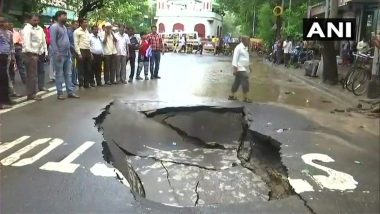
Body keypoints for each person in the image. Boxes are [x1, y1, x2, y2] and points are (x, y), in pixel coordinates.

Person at [50, 11, 79, 100]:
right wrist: (56, 52)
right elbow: (53, 41)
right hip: (59, 54)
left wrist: (71, 51)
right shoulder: (54, 27)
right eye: (64, 16)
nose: (66, 17)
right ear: (59, 17)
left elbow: (67, 40)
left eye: (66, 16)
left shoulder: (64, 27)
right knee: (59, 74)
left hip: (67, 54)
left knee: (68, 74)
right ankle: (60, 93)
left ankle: (70, 92)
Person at [22, 13, 48, 101]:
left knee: (35, 74)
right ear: (30, 20)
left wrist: (43, 52)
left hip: (38, 53)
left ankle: (33, 92)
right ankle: (31, 94)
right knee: (31, 75)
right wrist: (32, 54)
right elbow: (26, 43)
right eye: (34, 20)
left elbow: (42, 41)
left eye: (37, 20)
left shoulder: (39, 29)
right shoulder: (27, 29)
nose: (36, 22)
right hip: (30, 54)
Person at [228, 36, 251, 103]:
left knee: (237, 82)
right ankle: (245, 97)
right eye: (248, 41)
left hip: (244, 67)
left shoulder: (245, 48)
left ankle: (231, 95)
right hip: (240, 68)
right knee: (245, 80)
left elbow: (246, 58)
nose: (249, 42)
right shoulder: (238, 48)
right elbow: (235, 58)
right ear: (243, 41)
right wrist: (235, 69)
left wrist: (249, 66)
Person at [74, 18, 94, 88]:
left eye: (86, 22)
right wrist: (79, 54)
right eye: (84, 22)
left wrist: (90, 52)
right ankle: (81, 83)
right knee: (81, 69)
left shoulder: (87, 31)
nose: (86, 23)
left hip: (87, 51)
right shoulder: (77, 31)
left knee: (88, 68)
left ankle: (86, 83)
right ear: (81, 23)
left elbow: (89, 43)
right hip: (81, 50)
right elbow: (76, 43)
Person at [0, 15, 14, 109]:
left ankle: (6, 100)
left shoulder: (9, 33)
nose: (2, 24)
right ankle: (2, 102)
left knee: (5, 79)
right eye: (1, 22)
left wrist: (12, 56)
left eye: (4, 22)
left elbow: (11, 45)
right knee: (2, 79)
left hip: (6, 57)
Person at [67, 20, 78, 85]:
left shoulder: (76, 32)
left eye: (77, 25)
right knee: (71, 67)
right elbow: (68, 42)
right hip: (70, 51)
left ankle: (74, 81)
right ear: (72, 24)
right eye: (75, 25)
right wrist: (74, 48)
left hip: (76, 51)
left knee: (75, 67)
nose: (77, 26)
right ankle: (70, 82)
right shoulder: (68, 31)